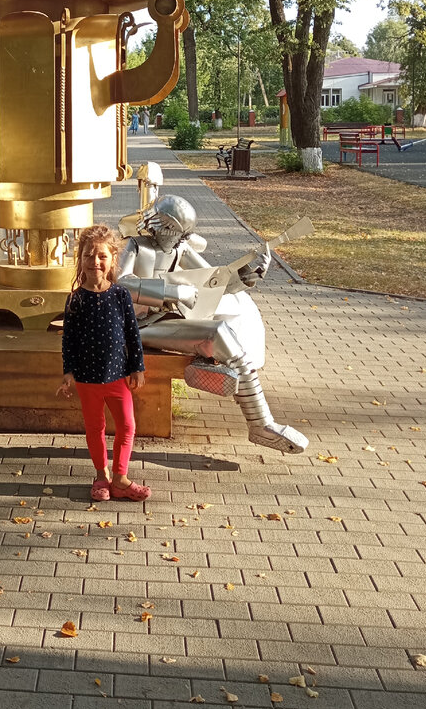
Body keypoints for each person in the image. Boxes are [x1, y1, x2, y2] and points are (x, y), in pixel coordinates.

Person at [118, 196, 308, 454]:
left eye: (179, 233)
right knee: (217, 333)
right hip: (136, 325)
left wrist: (248, 275)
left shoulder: (180, 250)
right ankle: (248, 410)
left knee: (225, 332)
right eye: (170, 229)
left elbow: (213, 283)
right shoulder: (135, 246)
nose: (174, 237)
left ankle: (261, 424)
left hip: (170, 319)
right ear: (158, 224)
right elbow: (121, 283)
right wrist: (171, 292)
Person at [57, 225, 151, 502]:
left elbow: (133, 334)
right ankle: (102, 475)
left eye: (101, 256)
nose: (95, 262)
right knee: (95, 428)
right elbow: (69, 340)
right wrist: (68, 372)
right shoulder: (75, 299)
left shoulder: (120, 295)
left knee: (127, 426)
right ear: (81, 260)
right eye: (88, 256)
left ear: (111, 260)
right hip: (87, 380)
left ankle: (121, 477)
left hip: (118, 376)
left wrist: (138, 366)